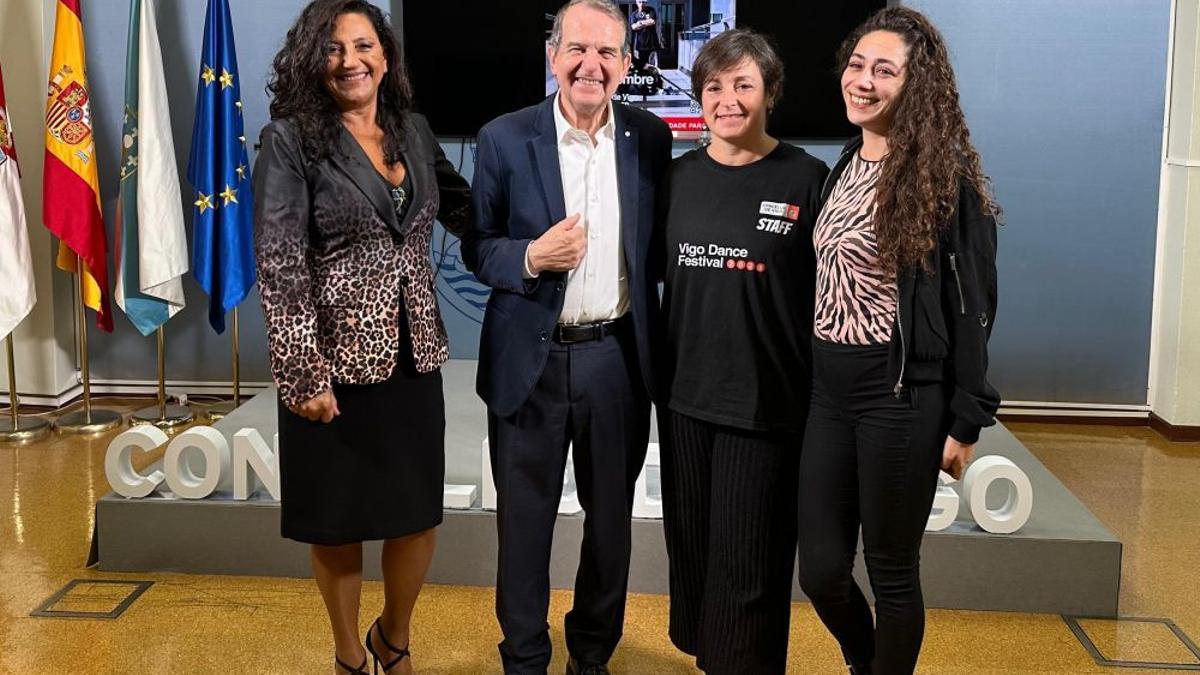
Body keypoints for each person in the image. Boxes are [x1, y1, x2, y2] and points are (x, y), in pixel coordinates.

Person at [253, 1, 471, 673]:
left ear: (386, 54)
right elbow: (280, 260)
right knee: (338, 521)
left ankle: (392, 636)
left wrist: (536, 240)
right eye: (334, 48)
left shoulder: (414, 130)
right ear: (312, 60)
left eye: (364, 44)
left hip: (413, 356)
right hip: (333, 367)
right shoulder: (290, 140)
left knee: (417, 518)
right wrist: (302, 373)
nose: (351, 60)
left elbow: (467, 209)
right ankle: (350, 651)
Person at [461, 0, 672, 672]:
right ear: (553, 56)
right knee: (524, 529)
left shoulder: (652, 139)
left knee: (610, 529)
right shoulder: (502, 137)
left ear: (627, 64)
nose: (592, 64)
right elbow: (477, 246)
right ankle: (524, 656)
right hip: (532, 362)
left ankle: (592, 654)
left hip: (618, 360)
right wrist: (530, 257)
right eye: (578, 49)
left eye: (608, 52)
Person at [795, 7, 1001, 675]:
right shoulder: (847, 162)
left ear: (917, 86)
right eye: (857, 65)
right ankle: (868, 661)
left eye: (885, 70)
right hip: (829, 391)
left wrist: (968, 417)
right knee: (822, 569)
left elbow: (973, 306)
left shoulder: (945, 181)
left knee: (891, 572)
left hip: (901, 395)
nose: (863, 80)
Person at [657, 29, 828, 674]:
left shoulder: (808, 179)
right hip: (684, 401)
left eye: (743, 85)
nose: (727, 100)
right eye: (714, 87)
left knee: (749, 561)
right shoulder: (675, 180)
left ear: (771, 94)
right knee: (695, 552)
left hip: (767, 404)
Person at [629, 0, 663, 74]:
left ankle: (654, 83)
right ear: (636, 3)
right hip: (639, 46)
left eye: (643, 2)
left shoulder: (651, 10)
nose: (642, 4)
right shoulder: (634, 14)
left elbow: (652, 21)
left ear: (646, 2)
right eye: (640, 2)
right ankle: (643, 83)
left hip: (652, 45)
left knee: (653, 67)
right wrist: (645, 22)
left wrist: (639, 22)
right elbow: (633, 27)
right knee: (641, 66)